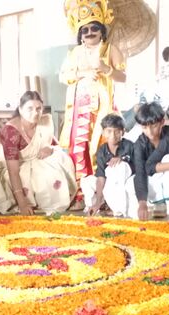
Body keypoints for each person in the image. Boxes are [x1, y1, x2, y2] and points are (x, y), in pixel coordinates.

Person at [59, 0, 126, 209]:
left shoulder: (111, 49)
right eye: (85, 29)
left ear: (101, 30)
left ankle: (103, 195)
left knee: (101, 148)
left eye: (94, 28)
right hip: (79, 110)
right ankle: (80, 194)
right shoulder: (74, 53)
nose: (89, 33)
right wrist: (82, 72)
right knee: (79, 150)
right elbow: (63, 76)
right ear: (80, 33)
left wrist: (107, 69)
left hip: (102, 109)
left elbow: (123, 77)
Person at [0, 91, 78, 214]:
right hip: (15, 167)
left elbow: (54, 144)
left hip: (36, 159)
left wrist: (49, 148)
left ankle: (63, 201)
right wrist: (22, 204)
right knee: (40, 177)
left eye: (38, 109)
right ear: (21, 110)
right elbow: (13, 172)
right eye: (30, 109)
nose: (35, 113)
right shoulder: (11, 132)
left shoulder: (45, 121)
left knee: (60, 159)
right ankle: (34, 203)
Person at [80, 114, 134, 217]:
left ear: (123, 132)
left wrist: (121, 158)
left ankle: (118, 210)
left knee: (119, 167)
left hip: (125, 182)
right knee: (87, 181)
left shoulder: (129, 146)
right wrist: (98, 202)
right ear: (103, 132)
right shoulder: (102, 151)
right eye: (109, 131)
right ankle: (95, 206)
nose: (113, 135)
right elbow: (101, 177)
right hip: (108, 183)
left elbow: (135, 167)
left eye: (117, 131)